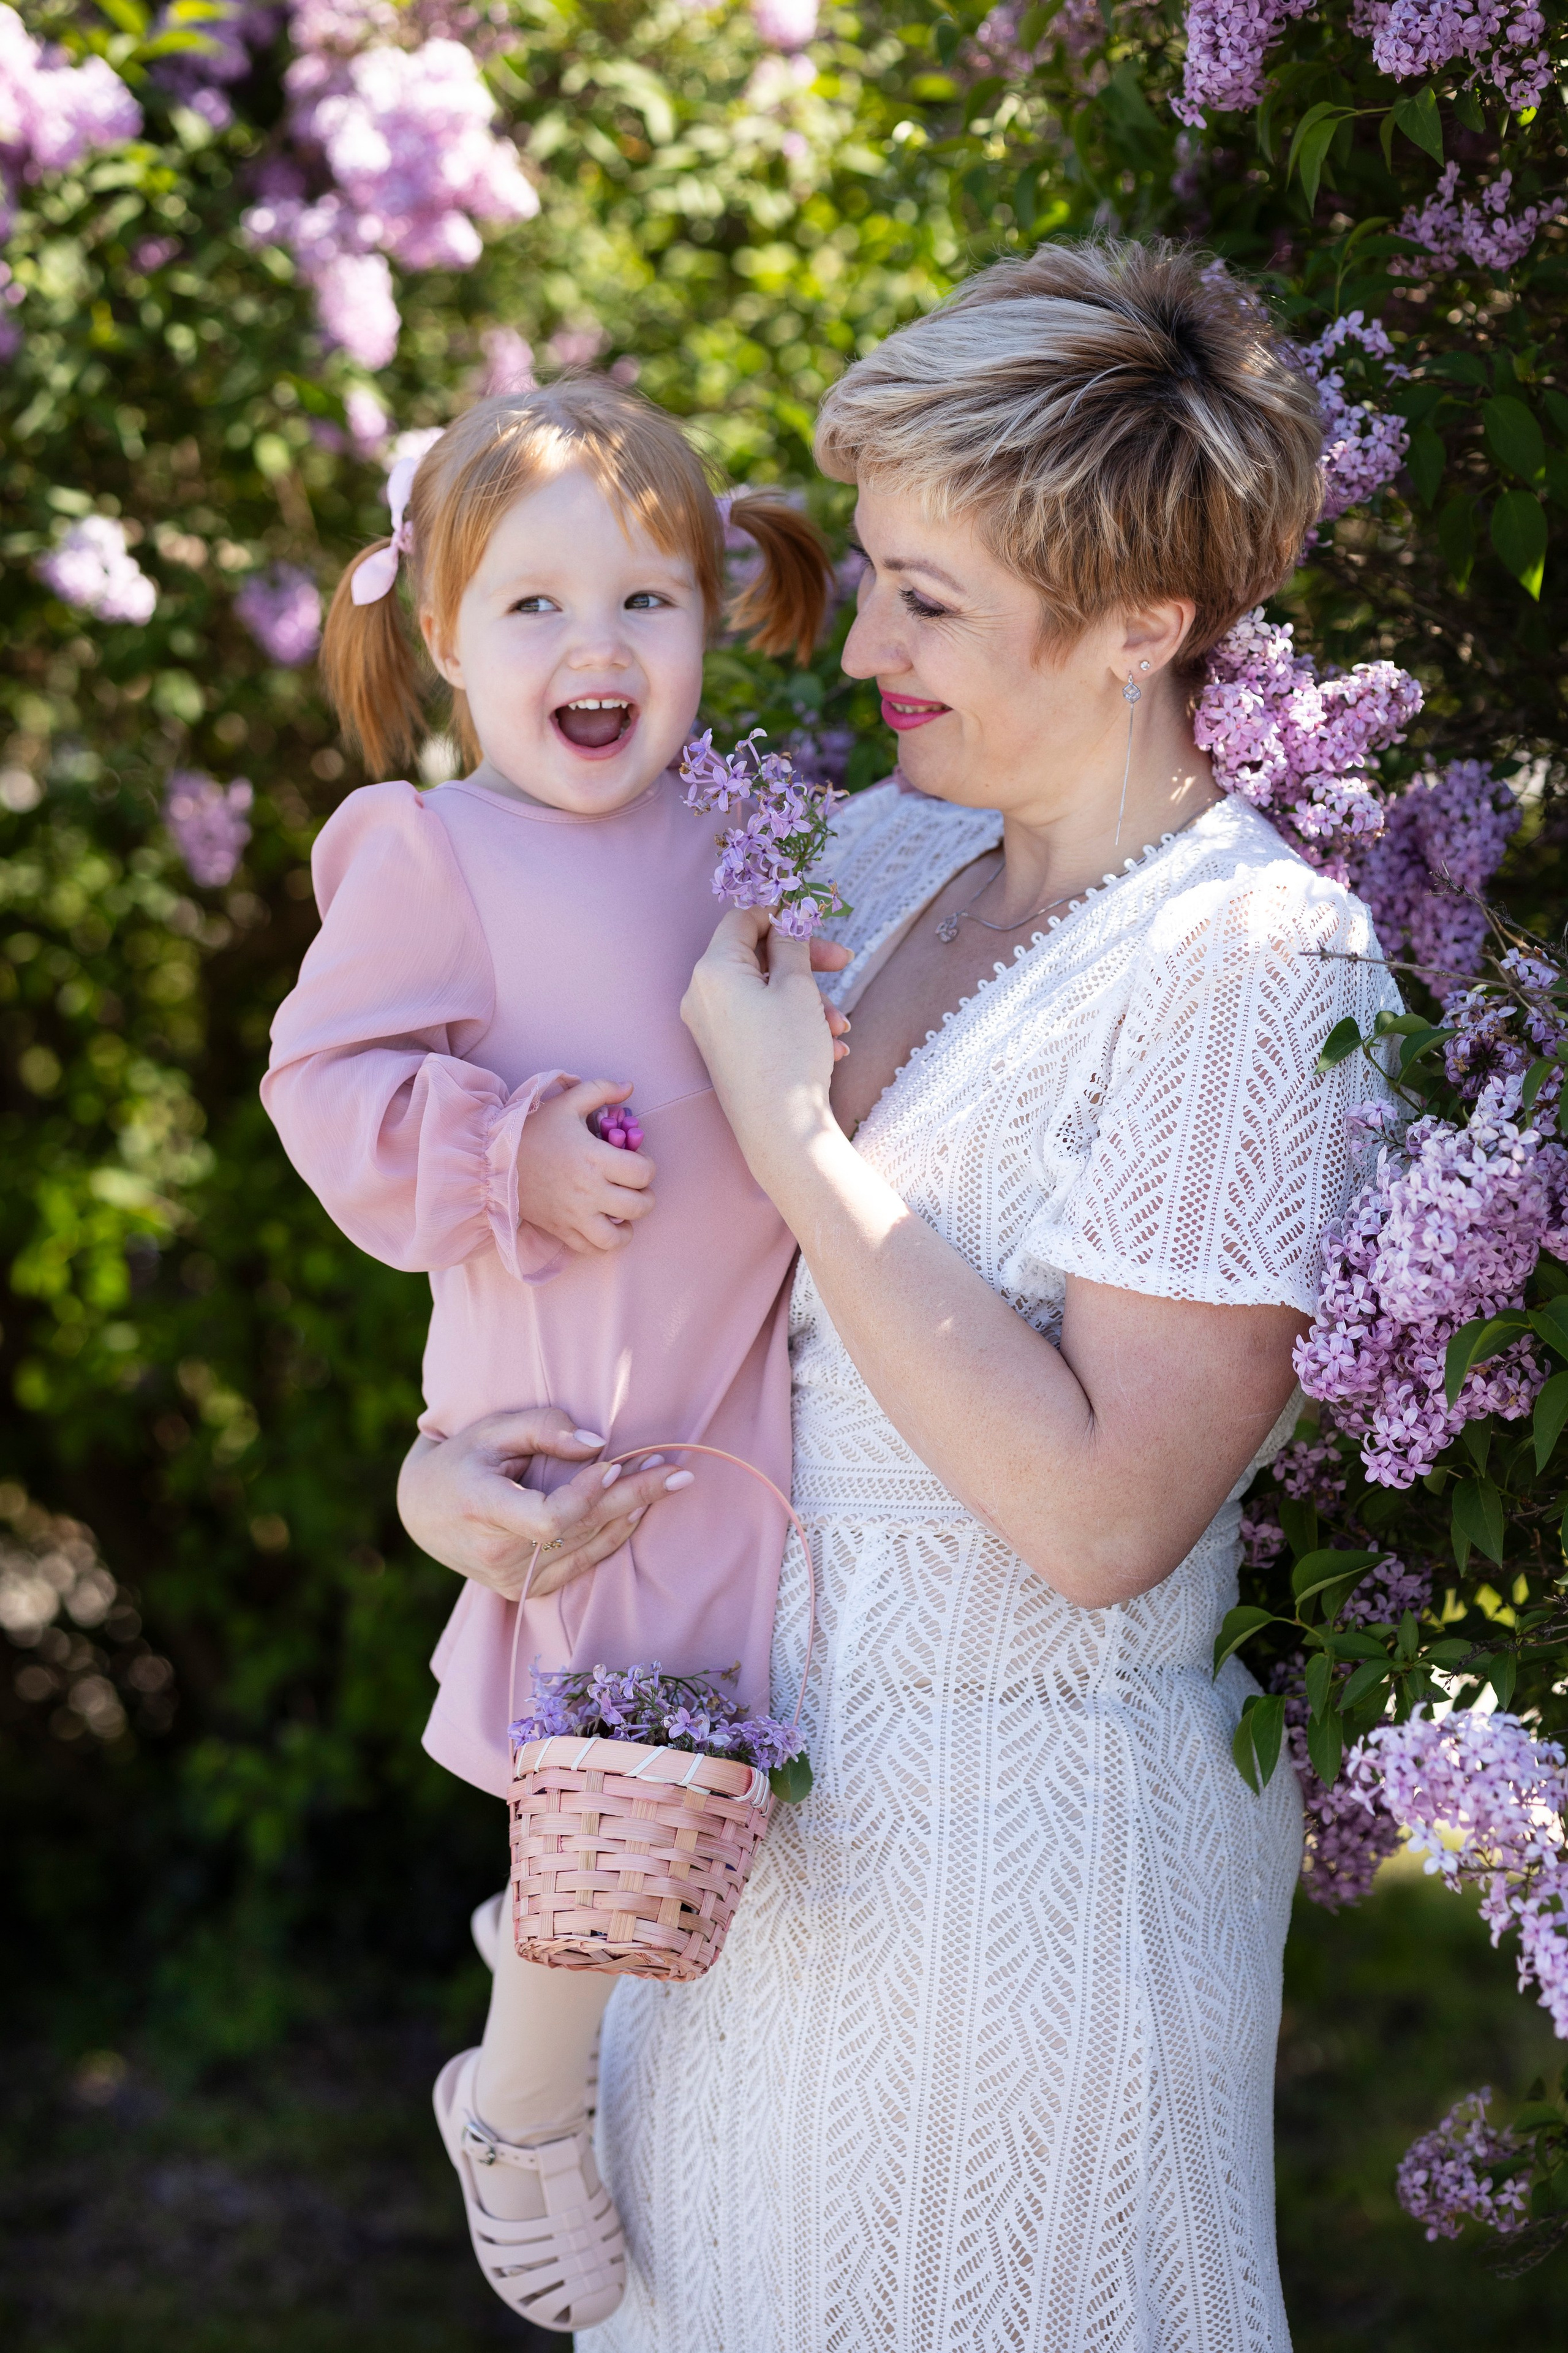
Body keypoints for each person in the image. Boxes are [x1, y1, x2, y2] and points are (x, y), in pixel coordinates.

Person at [398, 240, 1401, 2352]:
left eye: (930, 602)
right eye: (871, 570)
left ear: (1145, 626)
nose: (862, 643)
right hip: (734, 1886)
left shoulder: (1253, 968)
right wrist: (453, 1482)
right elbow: (667, 1313)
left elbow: (1109, 1518)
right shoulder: (863, 862)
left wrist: (799, 1141)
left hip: (1019, 1930)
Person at [259, 376, 848, 2335]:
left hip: (745, 1405)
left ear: (708, 620)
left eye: (647, 604)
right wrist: (503, 1150)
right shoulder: (437, 851)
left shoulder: (744, 833)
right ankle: (515, 2109)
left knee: (699, 1812)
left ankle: (616, 2110)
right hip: (571, 1411)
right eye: (533, 609)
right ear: (441, 635)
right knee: (603, 1779)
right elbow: (325, 1084)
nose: (595, 648)